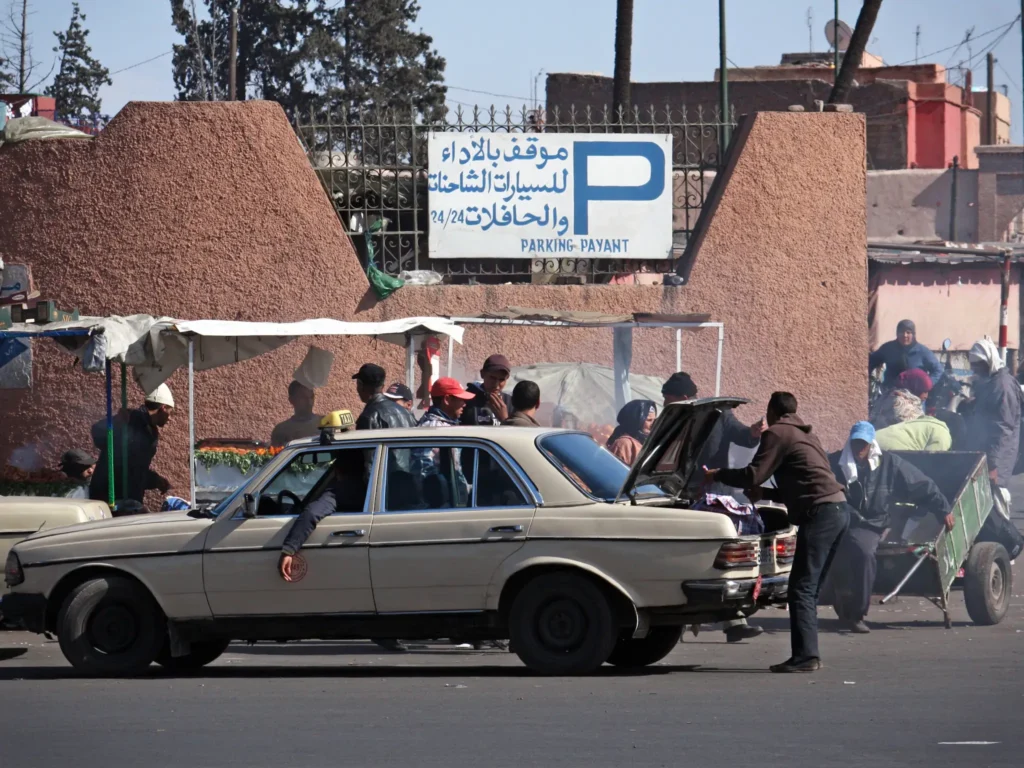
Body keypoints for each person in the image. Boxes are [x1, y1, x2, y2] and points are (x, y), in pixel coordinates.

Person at [705, 392, 849, 673]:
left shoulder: (778, 433)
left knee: (802, 589)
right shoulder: (806, 435)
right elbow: (805, 484)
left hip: (821, 515)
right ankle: (809, 653)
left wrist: (718, 474)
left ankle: (806, 657)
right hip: (839, 510)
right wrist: (766, 493)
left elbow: (753, 475)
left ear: (772, 411)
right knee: (809, 589)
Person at [663, 371, 766, 643]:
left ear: (684, 397)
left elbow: (744, 436)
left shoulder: (720, 415)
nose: (664, 403)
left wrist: (754, 432)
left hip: (713, 496)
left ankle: (734, 621)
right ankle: (680, 623)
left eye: (668, 398)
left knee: (720, 557)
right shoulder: (672, 418)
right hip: (679, 495)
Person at [827, 421, 952, 634]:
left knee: (864, 553)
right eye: (856, 443)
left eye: (863, 444)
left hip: (869, 523)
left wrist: (943, 509)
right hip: (838, 519)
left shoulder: (889, 463)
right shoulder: (835, 462)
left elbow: (922, 485)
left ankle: (858, 614)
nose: (859, 449)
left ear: (871, 444)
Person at [89, 384, 174, 506]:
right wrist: (116, 422)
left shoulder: (150, 429)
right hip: (110, 495)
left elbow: (136, 467)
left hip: (129, 494)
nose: (169, 418)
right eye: (170, 413)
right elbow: (97, 432)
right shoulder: (131, 418)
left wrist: (155, 480)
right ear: (164, 408)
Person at [964, 337, 1021, 489]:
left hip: (997, 459)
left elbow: (1002, 428)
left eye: (978, 365)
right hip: (988, 455)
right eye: (973, 365)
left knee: (997, 502)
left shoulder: (1002, 386)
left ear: (989, 362)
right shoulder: (992, 382)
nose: (975, 369)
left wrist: (994, 464)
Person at [869, 320, 944, 388]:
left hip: (914, 396)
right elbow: (871, 362)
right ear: (897, 333)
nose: (905, 335)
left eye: (908, 332)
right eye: (901, 332)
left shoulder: (922, 351)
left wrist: (926, 385)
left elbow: (938, 369)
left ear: (913, 334)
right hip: (891, 394)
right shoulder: (888, 348)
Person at [353, 364, 417, 431]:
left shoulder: (369, 416)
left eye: (358, 384)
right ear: (382, 386)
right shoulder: (407, 413)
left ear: (361, 386)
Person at [461, 354, 514, 426]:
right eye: (492, 378)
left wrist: (504, 419)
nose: (496, 384)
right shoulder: (467, 399)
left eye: (501, 379)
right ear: (482, 374)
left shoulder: (510, 402)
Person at [270, 380, 323, 447]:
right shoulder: (281, 430)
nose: (309, 402)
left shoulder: (325, 424)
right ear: (291, 400)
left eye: (311, 397)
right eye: (303, 397)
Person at [607, 400, 657, 465]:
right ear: (635, 421)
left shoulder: (647, 444)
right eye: (649, 420)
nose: (653, 424)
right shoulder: (625, 444)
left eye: (654, 420)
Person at [874, 411, 951, 452]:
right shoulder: (944, 434)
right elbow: (929, 462)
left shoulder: (926, 422)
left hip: (873, 440)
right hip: (886, 451)